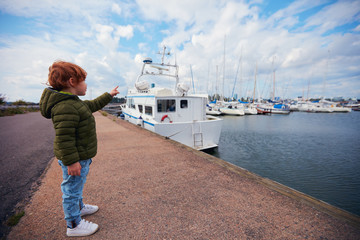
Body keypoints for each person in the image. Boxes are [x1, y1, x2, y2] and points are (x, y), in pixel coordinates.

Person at [40, 61, 119, 237]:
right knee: (71, 189)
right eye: (83, 80)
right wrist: (72, 161)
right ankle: (74, 225)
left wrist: (109, 95)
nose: (86, 84)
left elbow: (91, 105)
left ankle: (79, 208)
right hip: (75, 158)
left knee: (76, 185)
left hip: (79, 156)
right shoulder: (65, 107)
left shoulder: (73, 102)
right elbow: (64, 138)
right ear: (72, 82)